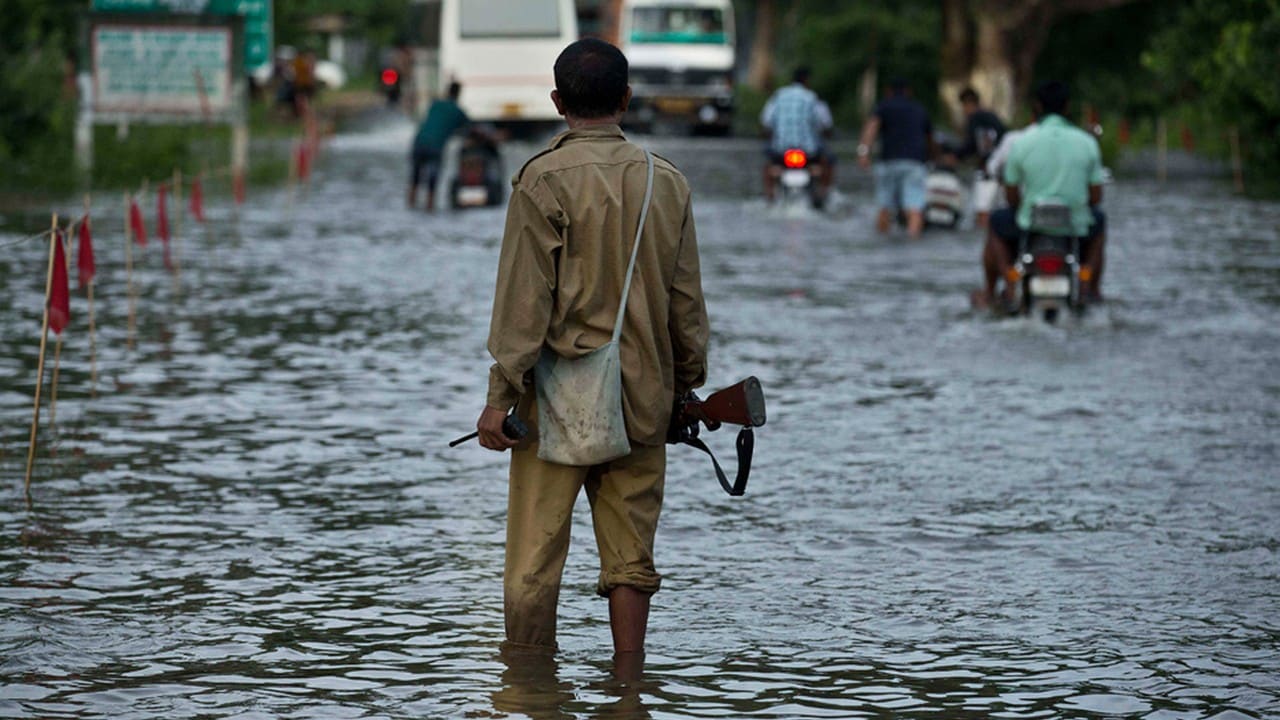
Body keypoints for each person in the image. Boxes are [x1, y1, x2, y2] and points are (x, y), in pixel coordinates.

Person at [475, 38, 710, 660]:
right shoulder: (668, 182)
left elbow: (523, 306)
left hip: (554, 400)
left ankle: (528, 687)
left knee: (534, 555)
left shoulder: (540, 179)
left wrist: (499, 397)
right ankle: (629, 686)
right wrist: (684, 385)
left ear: (557, 103)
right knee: (632, 556)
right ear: (626, 100)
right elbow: (685, 304)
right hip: (644, 395)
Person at [977, 80, 1107, 308]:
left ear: (1036, 107)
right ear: (1067, 107)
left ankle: (1004, 284)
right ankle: (1090, 288)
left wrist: (1022, 206)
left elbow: (1011, 196)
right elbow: (1096, 197)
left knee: (996, 222)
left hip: (1030, 223)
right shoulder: (1087, 143)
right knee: (1100, 222)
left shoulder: (1021, 143)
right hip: (1075, 224)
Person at [858, 77, 934, 238]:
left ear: (888, 92)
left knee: (885, 206)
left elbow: (871, 129)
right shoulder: (919, 109)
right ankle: (913, 241)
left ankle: (882, 243)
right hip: (915, 162)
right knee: (914, 207)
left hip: (889, 162)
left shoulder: (883, 107)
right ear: (909, 92)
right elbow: (930, 139)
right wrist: (933, 157)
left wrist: (864, 152)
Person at [760, 67, 835, 203]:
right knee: (828, 161)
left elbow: (766, 122)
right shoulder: (812, 98)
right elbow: (825, 122)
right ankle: (824, 193)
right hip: (809, 152)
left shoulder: (778, 96)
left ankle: (769, 195)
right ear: (807, 80)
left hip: (781, 151)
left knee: (768, 165)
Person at [408, 81, 469, 211]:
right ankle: (429, 209)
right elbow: (469, 129)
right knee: (432, 183)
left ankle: (411, 206)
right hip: (435, 147)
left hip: (419, 143)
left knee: (414, 179)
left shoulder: (435, 104)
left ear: (447, 91)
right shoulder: (458, 112)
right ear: (459, 94)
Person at [956, 87, 1006, 229]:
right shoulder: (992, 117)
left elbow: (976, 143)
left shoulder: (976, 118)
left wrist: (956, 155)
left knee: (982, 212)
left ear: (968, 104)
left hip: (987, 169)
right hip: (1001, 169)